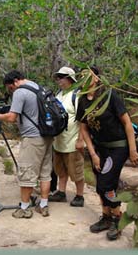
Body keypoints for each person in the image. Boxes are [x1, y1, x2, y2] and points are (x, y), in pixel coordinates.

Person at [75, 66, 138, 240]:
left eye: (87, 75)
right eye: (81, 76)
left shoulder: (109, 95)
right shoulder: (82, 100)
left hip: (119, 146)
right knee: (101, 183)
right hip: (100, 147)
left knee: (106, 183)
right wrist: (93, 153)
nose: (84, 78)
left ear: (96, 78)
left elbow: (127, 122)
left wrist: (132, 150)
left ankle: (117, 220)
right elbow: (83, 128)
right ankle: (106, 217)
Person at [0, 70, 53, 218]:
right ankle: (43, 205)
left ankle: (24, 208)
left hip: (32, 138)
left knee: (26, 173)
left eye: (10, 87)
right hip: (47, 135)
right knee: (45, 173)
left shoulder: (20, 92)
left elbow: (12, 117)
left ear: (16, 81)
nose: (11, 91)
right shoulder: (38, 87)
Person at [48, 67, 85, 207]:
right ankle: (61, 192)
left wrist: (81, 140)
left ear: (70, 79)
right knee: (60, 169)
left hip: (72, 141)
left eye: (61, 77)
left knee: (76, 170)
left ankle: (80, 195)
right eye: (57, 78)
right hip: (59, 141)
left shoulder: (77, 95)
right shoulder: (58, 95)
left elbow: (83, 120)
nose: (59, 80)